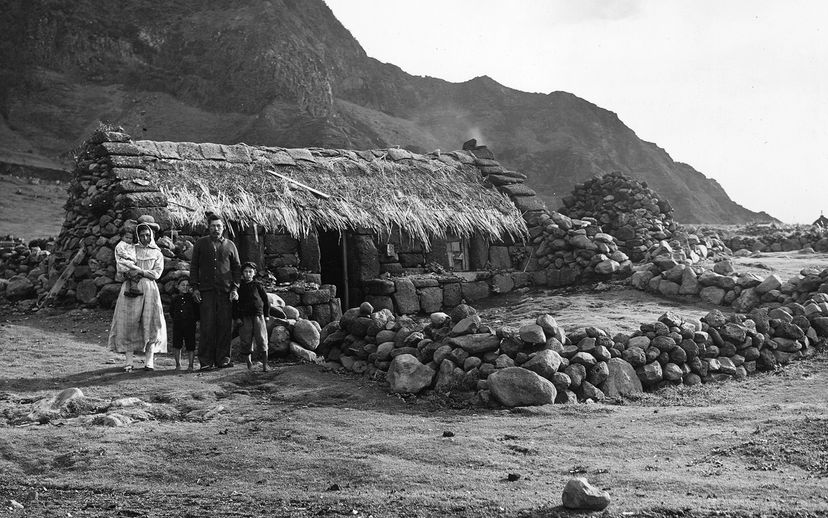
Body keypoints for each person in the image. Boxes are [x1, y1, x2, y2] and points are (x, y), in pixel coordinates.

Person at [108, 215, 168, 372]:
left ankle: (149, 361)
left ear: (152, 235)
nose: (145, 237)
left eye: (148, 235)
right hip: (131, 288)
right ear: (137, 236)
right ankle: (129, 361)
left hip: (149, 289)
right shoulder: (131, 249)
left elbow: (156, 274)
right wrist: (128, 273)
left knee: (151, 323)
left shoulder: (157, 253)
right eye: (142, 235)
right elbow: (121, 267)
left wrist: (141, 271)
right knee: (130, 323)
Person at [190, 214, 241, 370]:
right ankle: (206, 361)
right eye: (213, 226)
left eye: (219, 226)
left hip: (225, 292)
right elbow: (194, 267)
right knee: (207, 326)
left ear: (223, 228)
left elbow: (237, 268)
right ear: (209, 227)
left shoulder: (230, 245)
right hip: (206, 292)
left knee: (225, 326)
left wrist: (234, 288)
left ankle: (223, 359)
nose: (216, 229)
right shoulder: (200, 244)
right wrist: (195, 288)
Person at [234, 262, 271, 371]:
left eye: (250, 271)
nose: (248, 274)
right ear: (242, 273)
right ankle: (249, 364)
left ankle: (265, 364)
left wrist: (267, 315)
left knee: (262, 339)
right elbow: (235, 304)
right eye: (245, 271)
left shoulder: (258, 285)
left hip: (258, 315)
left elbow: (266, 300)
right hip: (244, 317)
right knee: (246, 341)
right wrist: (237, 318)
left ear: (254, 273)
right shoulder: (238, 286)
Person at [170, 280, 199, 372]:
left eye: (187, 285)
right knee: (177, 344)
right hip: (178, 324)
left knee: (190, 344)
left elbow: (197, 312)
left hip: (190, 325)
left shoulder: (192, 298)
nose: (185, 287)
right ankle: (178, 365)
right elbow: (172, 311)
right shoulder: (175, 298)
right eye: (183, 285)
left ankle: (190, 366)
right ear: (178, 286)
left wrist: (194, 320)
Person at [114, 221, 143, 297]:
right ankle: (134, 288)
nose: (128, 239)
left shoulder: (131, 244)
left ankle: (129, 290)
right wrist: (129, 257)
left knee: (132, 275)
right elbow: (121, 253)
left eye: (130, 238)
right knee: (136, 273)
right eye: (126, 237)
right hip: (124, 264)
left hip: (129, 264)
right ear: (122, 237)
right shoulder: (121, 245)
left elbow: (135, 246)